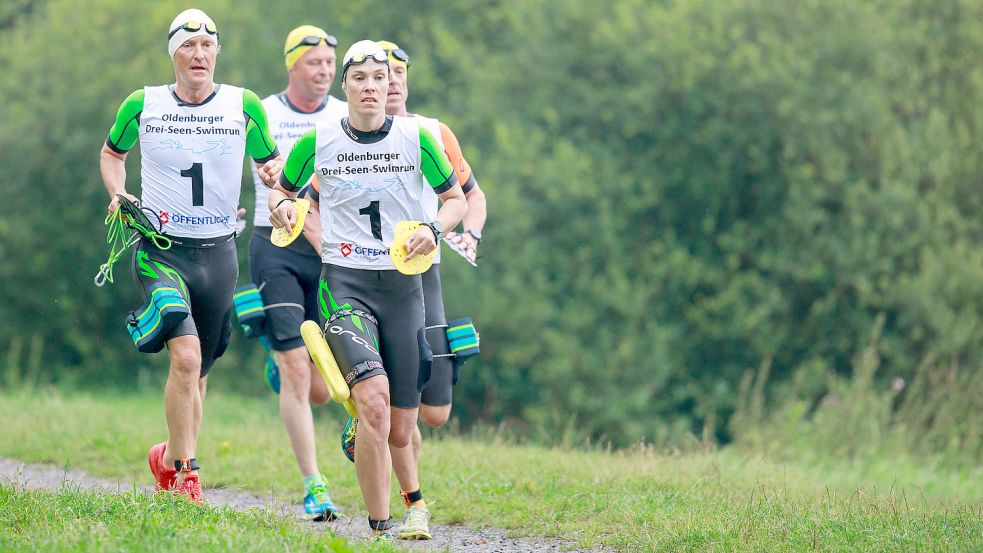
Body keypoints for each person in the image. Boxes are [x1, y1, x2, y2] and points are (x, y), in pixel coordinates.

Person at [265, 40, 467, 541]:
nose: (371, 87)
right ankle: (379, 531)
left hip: (404, 288)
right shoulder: (319, 140)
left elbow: (455, 199)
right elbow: (283, 192)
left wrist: (434, 230)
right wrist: (283, 208)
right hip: (345, 285)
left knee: (402, 426)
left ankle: (412, 501)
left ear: (389, 84)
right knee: (373, 400)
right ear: (346, 86)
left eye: (379, 78)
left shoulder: (418, 138)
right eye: (360, 79)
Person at [98, 8, 280, 503]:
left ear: (218, 52)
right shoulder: (143, 103)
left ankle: (168, 456)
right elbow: (113, 153)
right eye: (188, 46)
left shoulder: (245, 106)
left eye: (207, 46)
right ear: (173, 53)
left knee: (198, 374)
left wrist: (272, 181)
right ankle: (187, 474)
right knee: (185, 356)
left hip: (219, 254)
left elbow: (270, 163)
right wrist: (118, 192)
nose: (199, 55)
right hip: (160, 250)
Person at [375, 39, 488, 540]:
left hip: (427, 273)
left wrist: (471, 232)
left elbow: (472, 196)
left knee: (436, 412)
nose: (392, 81)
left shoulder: (432, 132)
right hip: (370, 277)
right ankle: (409, 501)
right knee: (395, 403)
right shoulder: (347, 134)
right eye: (381, 74)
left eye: (399, 72)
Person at [246, 24, 346, 521]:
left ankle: (272, 347)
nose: (324, 71)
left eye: (330, 63)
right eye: (315, 63)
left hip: (326, 251)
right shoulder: (263, 111)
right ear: (293, 65)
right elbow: (260, 172)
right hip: (276, 246)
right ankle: (315, 486)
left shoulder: (346, 116)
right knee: (296, 370)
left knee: (322, 387)